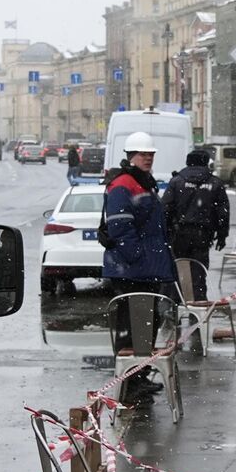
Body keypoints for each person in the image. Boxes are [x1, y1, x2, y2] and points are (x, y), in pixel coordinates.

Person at [102, 132, 177, 403]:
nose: (148, 158)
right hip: (132, 271)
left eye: (151, 154)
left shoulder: (143, 184)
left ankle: (139, 376)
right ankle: (129, 383)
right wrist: (137, 258)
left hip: (145, 268)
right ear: (130, 156)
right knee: (131, 329)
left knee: (147, 325)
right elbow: (120, 226)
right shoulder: (124, 185)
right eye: (142, 154)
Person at [162, 149, 231, 300]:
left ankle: (176, 307)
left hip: (179, 234)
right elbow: (223, 212)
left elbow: (165, 209)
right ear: (206, 163)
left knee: (178, 270)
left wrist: (166, 232)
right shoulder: (214, 183)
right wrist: (221, 236)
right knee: (199, 272)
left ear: (188, 162)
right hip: (203, 235)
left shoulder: (177, 181)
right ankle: (198, 308)